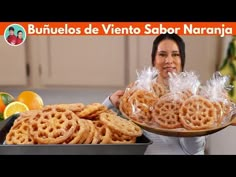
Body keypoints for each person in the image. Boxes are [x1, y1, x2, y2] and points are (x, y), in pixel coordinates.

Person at [102, 33, 206, 155]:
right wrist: (109, 103)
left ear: (182, 59)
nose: (169, 60)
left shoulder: (195, 96)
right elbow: (108, 129)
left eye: (175, 54)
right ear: (153, 59)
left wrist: (192, 124)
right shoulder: (139, 93)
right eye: (162, 54)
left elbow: (193, 149)